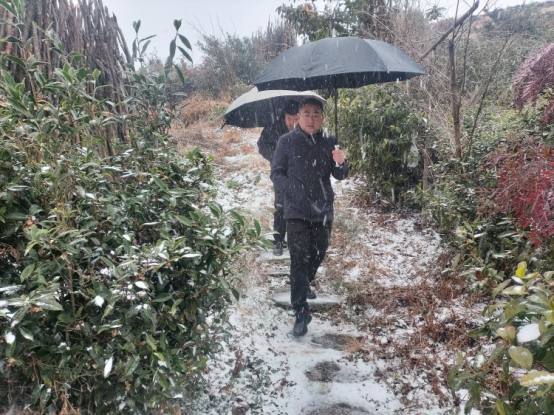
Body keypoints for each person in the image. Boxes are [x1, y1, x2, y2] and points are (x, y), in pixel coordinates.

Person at [270, 98, 348, 337]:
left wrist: (341, 163)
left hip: (322, 209)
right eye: (306, 114)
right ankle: (300, 311)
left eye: (316, 114)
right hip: (296, 211)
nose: (311, 119)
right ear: (299, 116)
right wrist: (293, 190)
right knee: (298, 259)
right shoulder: (286, 141)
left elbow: (340, 175)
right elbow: (276, 173)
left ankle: (304, 282)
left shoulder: (330, 141)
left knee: (317, 254)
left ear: (322, 117)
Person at [257, 100, 299, 256]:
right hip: (280, 173)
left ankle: (295, 240)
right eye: (289, 119)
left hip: (299, 173)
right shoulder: (273, 128)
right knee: (281, 205)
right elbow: (261, 145)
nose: (292, 123)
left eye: (295, 119)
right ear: (284, 116)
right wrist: (276, 157)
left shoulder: (304, 128)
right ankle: (279, 240)